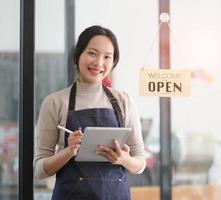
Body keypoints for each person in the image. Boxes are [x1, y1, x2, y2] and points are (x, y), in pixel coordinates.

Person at [33, 25, 146, 200]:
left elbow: (140, 163)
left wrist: (123, 159)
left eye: (107, 57)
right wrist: (68, 152)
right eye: (92, 53)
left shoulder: (124, 101)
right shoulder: (54, 102)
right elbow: (39, 169)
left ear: (113, 62)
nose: (99, 63)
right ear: (78, 55)